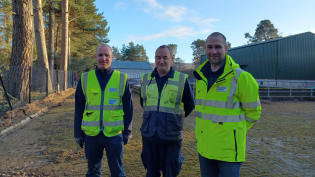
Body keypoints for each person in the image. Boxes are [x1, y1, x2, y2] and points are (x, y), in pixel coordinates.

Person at [193, 32, 261, 177]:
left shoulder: (242, 78)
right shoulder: (200, 79)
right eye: (209, 47)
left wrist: (233, 131)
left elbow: (253, 112)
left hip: (229, 152)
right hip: (205, 148)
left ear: (226, 48)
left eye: (218, 47)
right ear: (205, 49)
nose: (213, 51)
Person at [74, 44, 133, 177]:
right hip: (91, 135)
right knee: (93, 172)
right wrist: (78, 133)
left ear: (112, 57)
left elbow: (128, 108)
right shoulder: (85, 78)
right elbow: (79, 108)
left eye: (107, 55)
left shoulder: (121, 79)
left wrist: (127, 131)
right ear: (95, 57)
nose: (103, 58)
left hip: (114, 135)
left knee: (117, 172)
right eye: (100, 55)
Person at [140, 45, 195, 177]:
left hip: (171, 137)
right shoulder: (146, 79)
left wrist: (174, 119)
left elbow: (189, 104)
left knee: (170, 173)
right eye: (158, 58)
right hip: (150, 136)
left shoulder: (182, 79)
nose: (161, 61)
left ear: (172, 59)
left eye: (165, 57)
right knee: (151, 173)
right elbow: (144, 103)